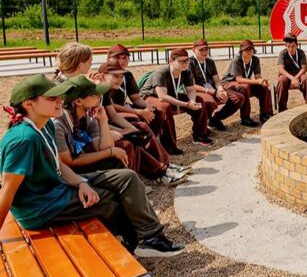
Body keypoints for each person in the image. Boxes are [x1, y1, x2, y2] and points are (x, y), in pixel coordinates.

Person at [0, 74, 184, 256]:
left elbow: (58, 164)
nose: (59, 101)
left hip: (56, 189)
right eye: (51, 98)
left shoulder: (44, 124)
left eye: (59, 96)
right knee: (109, 201)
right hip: (42, 207)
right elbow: (7, 191)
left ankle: (150, 239)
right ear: (28, 104)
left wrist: (80, 183)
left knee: (126, 177)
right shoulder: (24, 139)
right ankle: (136, 241)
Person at [98, 62, 188, 185]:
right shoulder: (96, 91)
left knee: (140, 130)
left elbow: (113, 115)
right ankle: (159, 171)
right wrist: (121, 131)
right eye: (116, 76)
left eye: (121, 76)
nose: (120, 79)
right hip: (98, 132)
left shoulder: (106, 90)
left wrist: (134, 131)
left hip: (106, 125)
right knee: (130, 141)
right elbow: (95, 123)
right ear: (102, 75)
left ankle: (165, 164)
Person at [107, 44, 180, 155]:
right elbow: (110, 106)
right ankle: (146, 148)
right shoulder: (106, 75)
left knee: (158, 111)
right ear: (108, 59)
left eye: (124, 58)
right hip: (112, 112)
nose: (121, 61)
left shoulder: (127, 74)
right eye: (117, 58)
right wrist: (139, 111)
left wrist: (147, 107)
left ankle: (161, 145)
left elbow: (135, 98)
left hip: (124, 106)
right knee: (138, 119)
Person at [140, 49, 214, 147]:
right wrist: (186, 104)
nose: (185, 63)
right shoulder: (161, 73)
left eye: (187, 60)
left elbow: (191, 90)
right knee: (165, 107)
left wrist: (192, 101)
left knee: (199, 100)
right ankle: (170, 145)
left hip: (171, 94)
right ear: (171, 61)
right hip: (150, 96)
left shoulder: (186, 72)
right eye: (181, 61)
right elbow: (162, 97)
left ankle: (199, 136)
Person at [189, 39, 247, 131]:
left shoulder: (210, 61)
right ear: (193, 49)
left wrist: (220, 90)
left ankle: (216, 118)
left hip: (213, 89)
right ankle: (202, 128)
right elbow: (191, 85)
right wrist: (211, 91)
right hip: (199, 91)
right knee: (210, 101)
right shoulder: (190, 63)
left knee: (238, 98)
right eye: (201, 50)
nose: (204, 52)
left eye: (206, 49)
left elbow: (216, 80)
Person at [221, 40, 273, 125]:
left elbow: (257, 76)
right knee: (245, 87)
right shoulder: (237, 60)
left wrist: (262, 81)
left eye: (251, 49)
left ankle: (265, 114)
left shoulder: (255, 59)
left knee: (264, 88)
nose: (249, 51)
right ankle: (245, 118)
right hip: (229, 83)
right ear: (241, 51)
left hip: (244, 83)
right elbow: (239, 79)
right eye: (246, 49)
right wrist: (257, 81)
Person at [276, 35, 307, 110]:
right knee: (281, 81)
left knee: (306, 79)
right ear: (285, 45)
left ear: (297, 45)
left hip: (298, 74)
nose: (290, 49)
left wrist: (295, 78)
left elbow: (304, 68)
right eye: (288, 46)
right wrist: (292, 78)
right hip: (286, 74)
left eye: (293, 46)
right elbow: (280, 69)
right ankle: (282, 109)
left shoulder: (301, 52)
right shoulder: (283, 53)